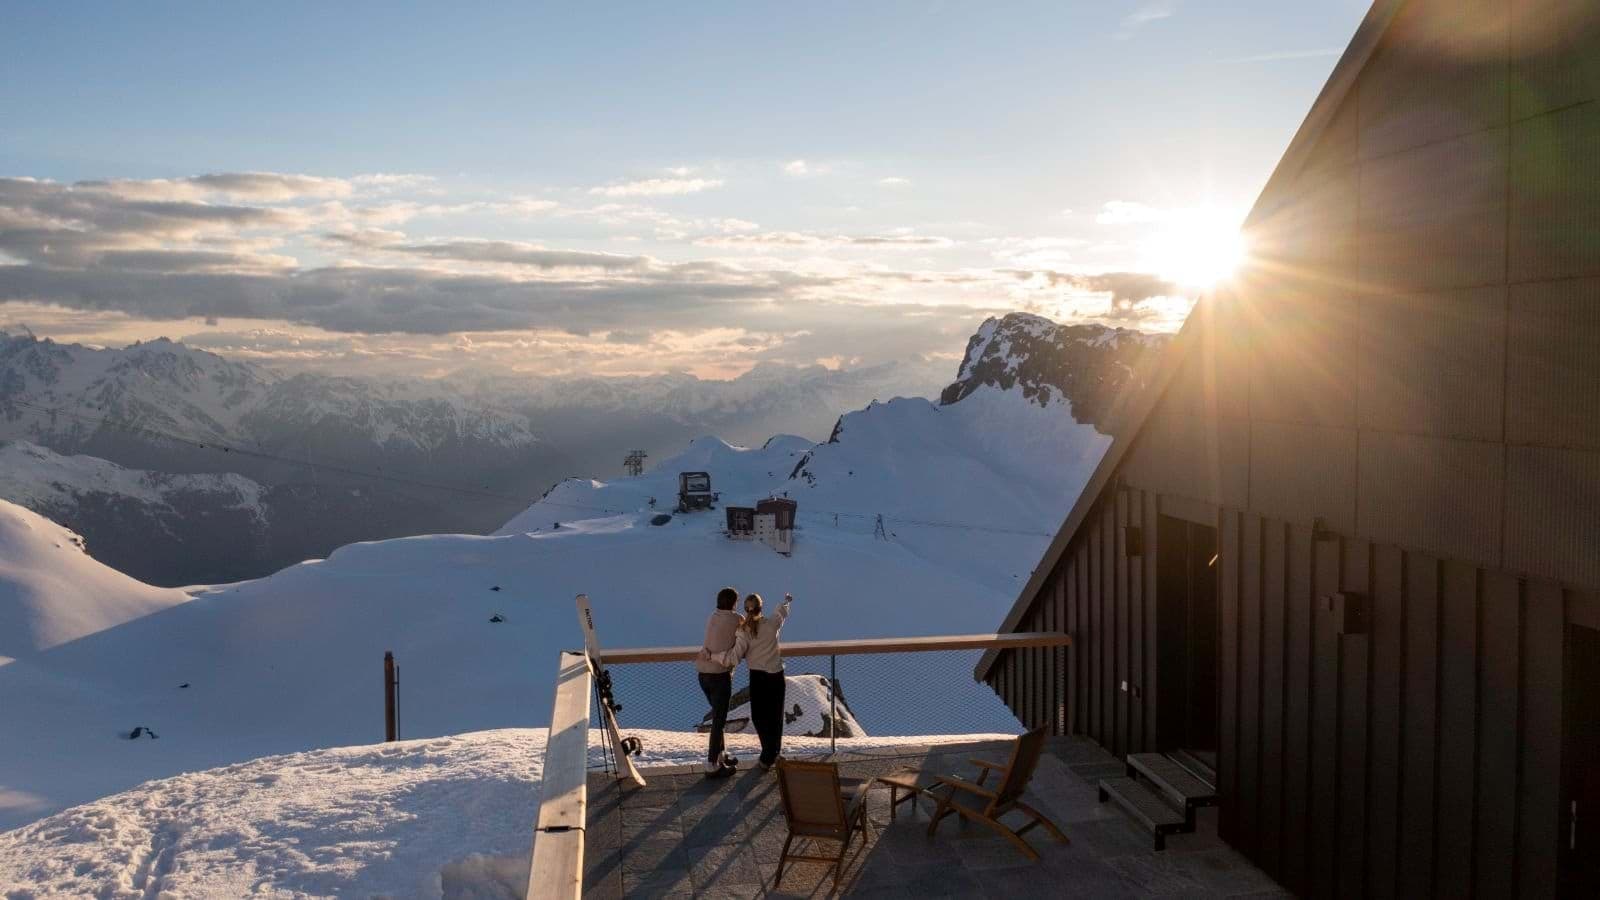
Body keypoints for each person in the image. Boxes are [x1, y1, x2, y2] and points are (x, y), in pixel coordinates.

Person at [703, 592, 793, 770]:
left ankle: (767, 754)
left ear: (745, 609)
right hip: (776, 675)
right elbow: (780, 613)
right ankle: (772, 755)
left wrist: (712, 655)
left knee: (760, 717)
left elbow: (733, 657)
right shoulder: (771, 624)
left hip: (758, 677)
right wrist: (786, 601)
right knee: (775, 717)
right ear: (761, 607)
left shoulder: (743, 631)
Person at [697, 586, 743, 777]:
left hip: (702, 673)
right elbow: (746, 637)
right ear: (733, 603)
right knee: (719, 720)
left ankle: (721, 754)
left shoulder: (713, 616)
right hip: (719, 676)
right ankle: (711, 764)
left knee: (719, 716)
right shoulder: (736, 619)